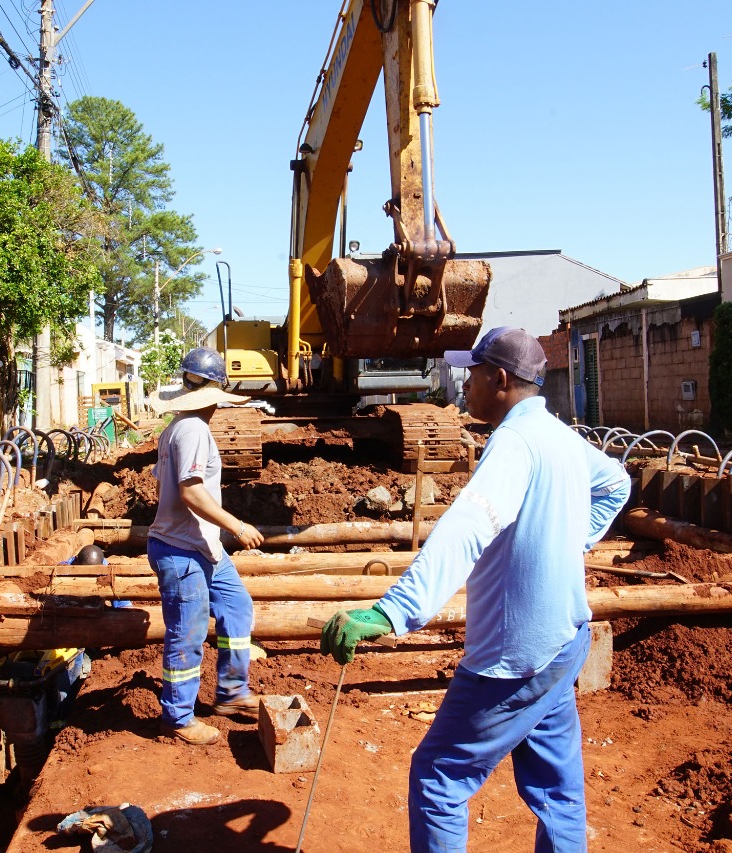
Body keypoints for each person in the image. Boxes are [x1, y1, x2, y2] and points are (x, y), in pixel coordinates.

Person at [320, 326, 632, 852]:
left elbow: (468, 524)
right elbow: (616, 483)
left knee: (438, 779)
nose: (465, 384)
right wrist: (567, 541)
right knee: (558, 792)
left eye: (473, 373)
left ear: (501, 379)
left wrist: (394, 611)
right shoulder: (558, 435)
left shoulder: (513, 442)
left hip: (514, 659)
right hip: (563, 641)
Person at [148, 346, 265, 746]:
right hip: (182, 550)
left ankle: (231, 693)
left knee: (236, 607)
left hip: (201, 546)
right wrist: (238, 525)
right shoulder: (194, 429)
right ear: (216, 393)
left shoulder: (177, 426)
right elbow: (191, 492)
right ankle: (178, 717)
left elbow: (162, 484)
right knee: (188, 632)